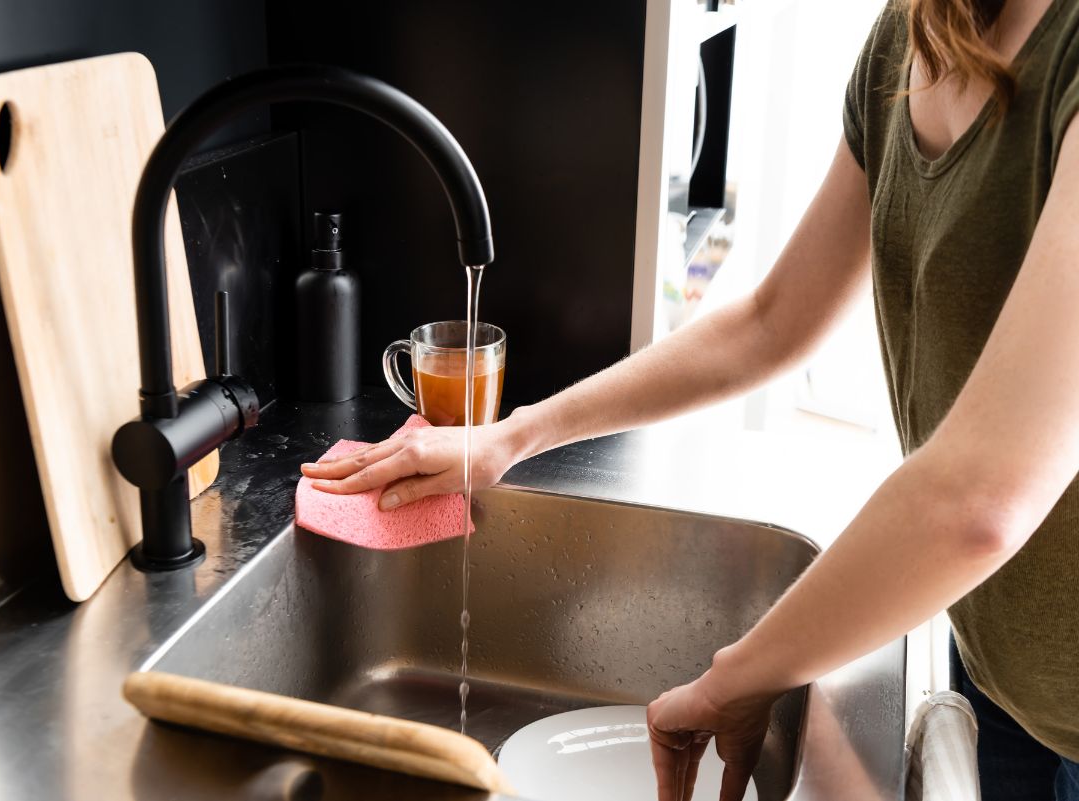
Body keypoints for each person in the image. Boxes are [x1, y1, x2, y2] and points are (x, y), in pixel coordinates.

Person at [301, 0, 1079, 797]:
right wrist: (512, 435)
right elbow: (774, 320)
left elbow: (980, 496)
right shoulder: (910, 34)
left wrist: (737, 675)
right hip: (1003, 674)